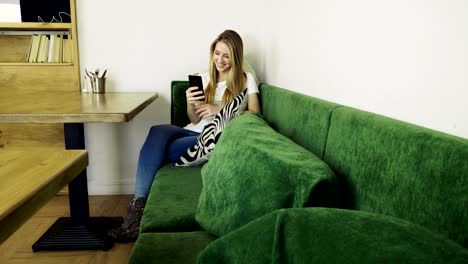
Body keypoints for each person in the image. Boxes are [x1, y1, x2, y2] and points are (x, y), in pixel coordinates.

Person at [108, 29, 261, 242]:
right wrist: (191, 102)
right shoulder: (203, 77)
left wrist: (219, 110)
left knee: (162, 149)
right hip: (192, 129)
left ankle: (135, 215)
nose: (220, 60)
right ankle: (138, 209)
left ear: (236, 57)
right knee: (157, 130)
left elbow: (255, 113)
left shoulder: (246, 79)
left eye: (226, 56)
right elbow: (195, 119)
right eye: (217, 53)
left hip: (210, 138)